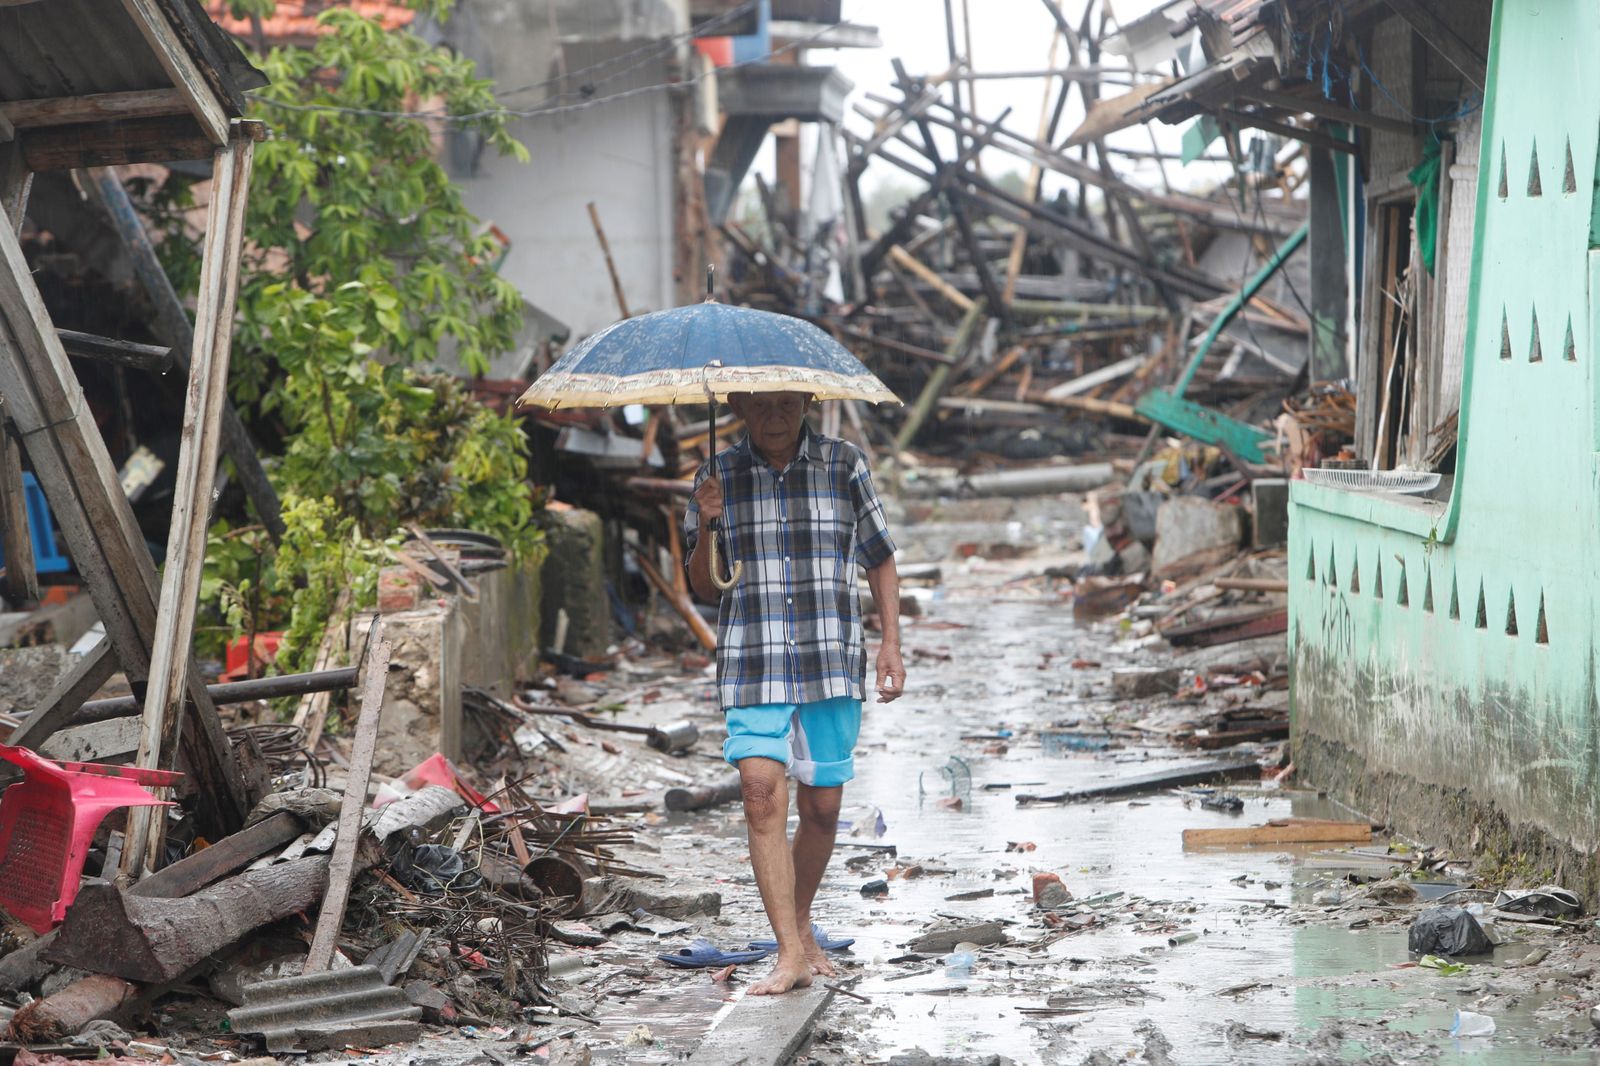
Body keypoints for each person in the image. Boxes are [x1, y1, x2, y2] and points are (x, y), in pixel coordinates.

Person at [684, 391, 904, 996]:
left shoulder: (844, 464)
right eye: (761, 405)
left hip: (830, 657)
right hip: (753, 660)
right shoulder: (716, 475)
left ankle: (801, 918)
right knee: (759, 795)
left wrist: (891, 644)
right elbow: (704, 587)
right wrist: (707, 524)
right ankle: (789, 953)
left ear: (807, 400)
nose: (775, 416)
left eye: (787, 403)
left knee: (823, 808)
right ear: (737, 406)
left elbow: (879, 559)